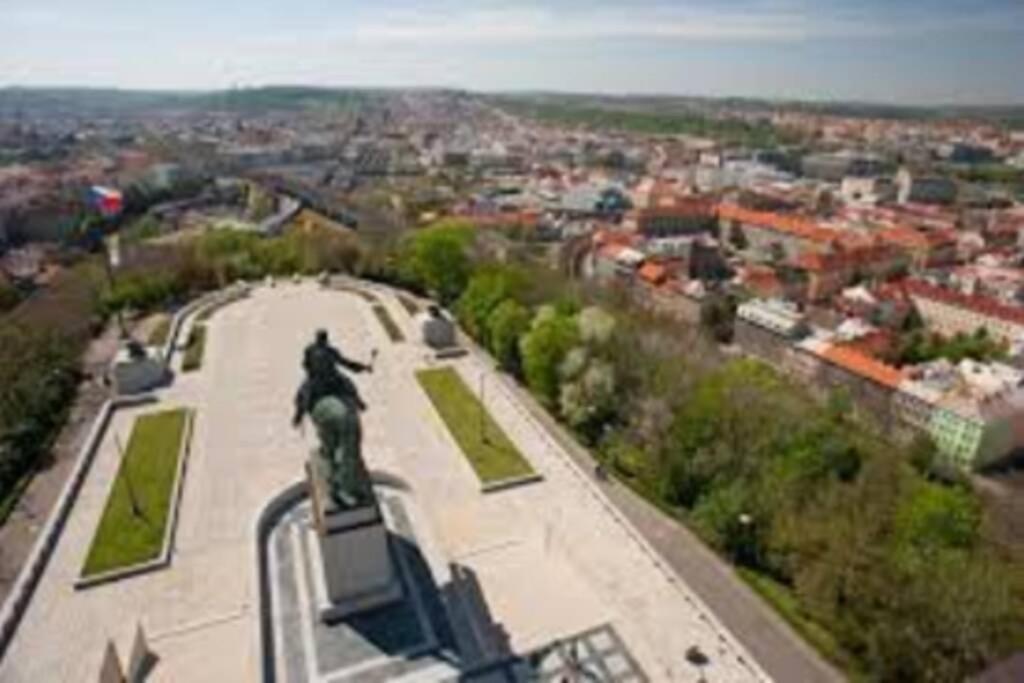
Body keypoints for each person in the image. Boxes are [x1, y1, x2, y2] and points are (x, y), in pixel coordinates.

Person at [292, 329, 371, 427]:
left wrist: (311, 371)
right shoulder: (331, 351)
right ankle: (358, 402)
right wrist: (363, 368)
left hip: (316, 380)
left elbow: (305, 364)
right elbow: (346, 363)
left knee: (302, 394)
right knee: (349, 385)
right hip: (332, 379)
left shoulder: (309, 350)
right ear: (326, 339)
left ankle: (298, 415)